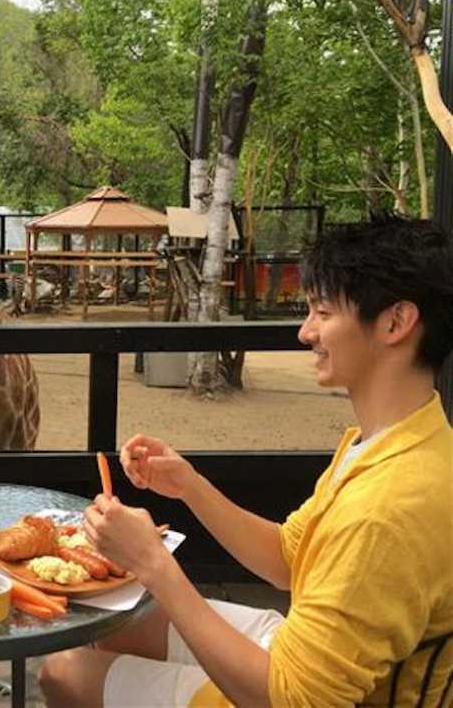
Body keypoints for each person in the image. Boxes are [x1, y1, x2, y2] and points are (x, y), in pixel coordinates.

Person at [39, 214, 453, 707]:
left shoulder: (387, 507)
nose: (305, 333)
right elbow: (287, 560)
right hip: (305, 647)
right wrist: (189, 484)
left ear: (395, 322)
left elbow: (291, 698)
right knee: (123, 625)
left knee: (63, 671)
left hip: (296, 688)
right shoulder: (398, 442)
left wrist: (152, 563)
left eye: (322, 313)